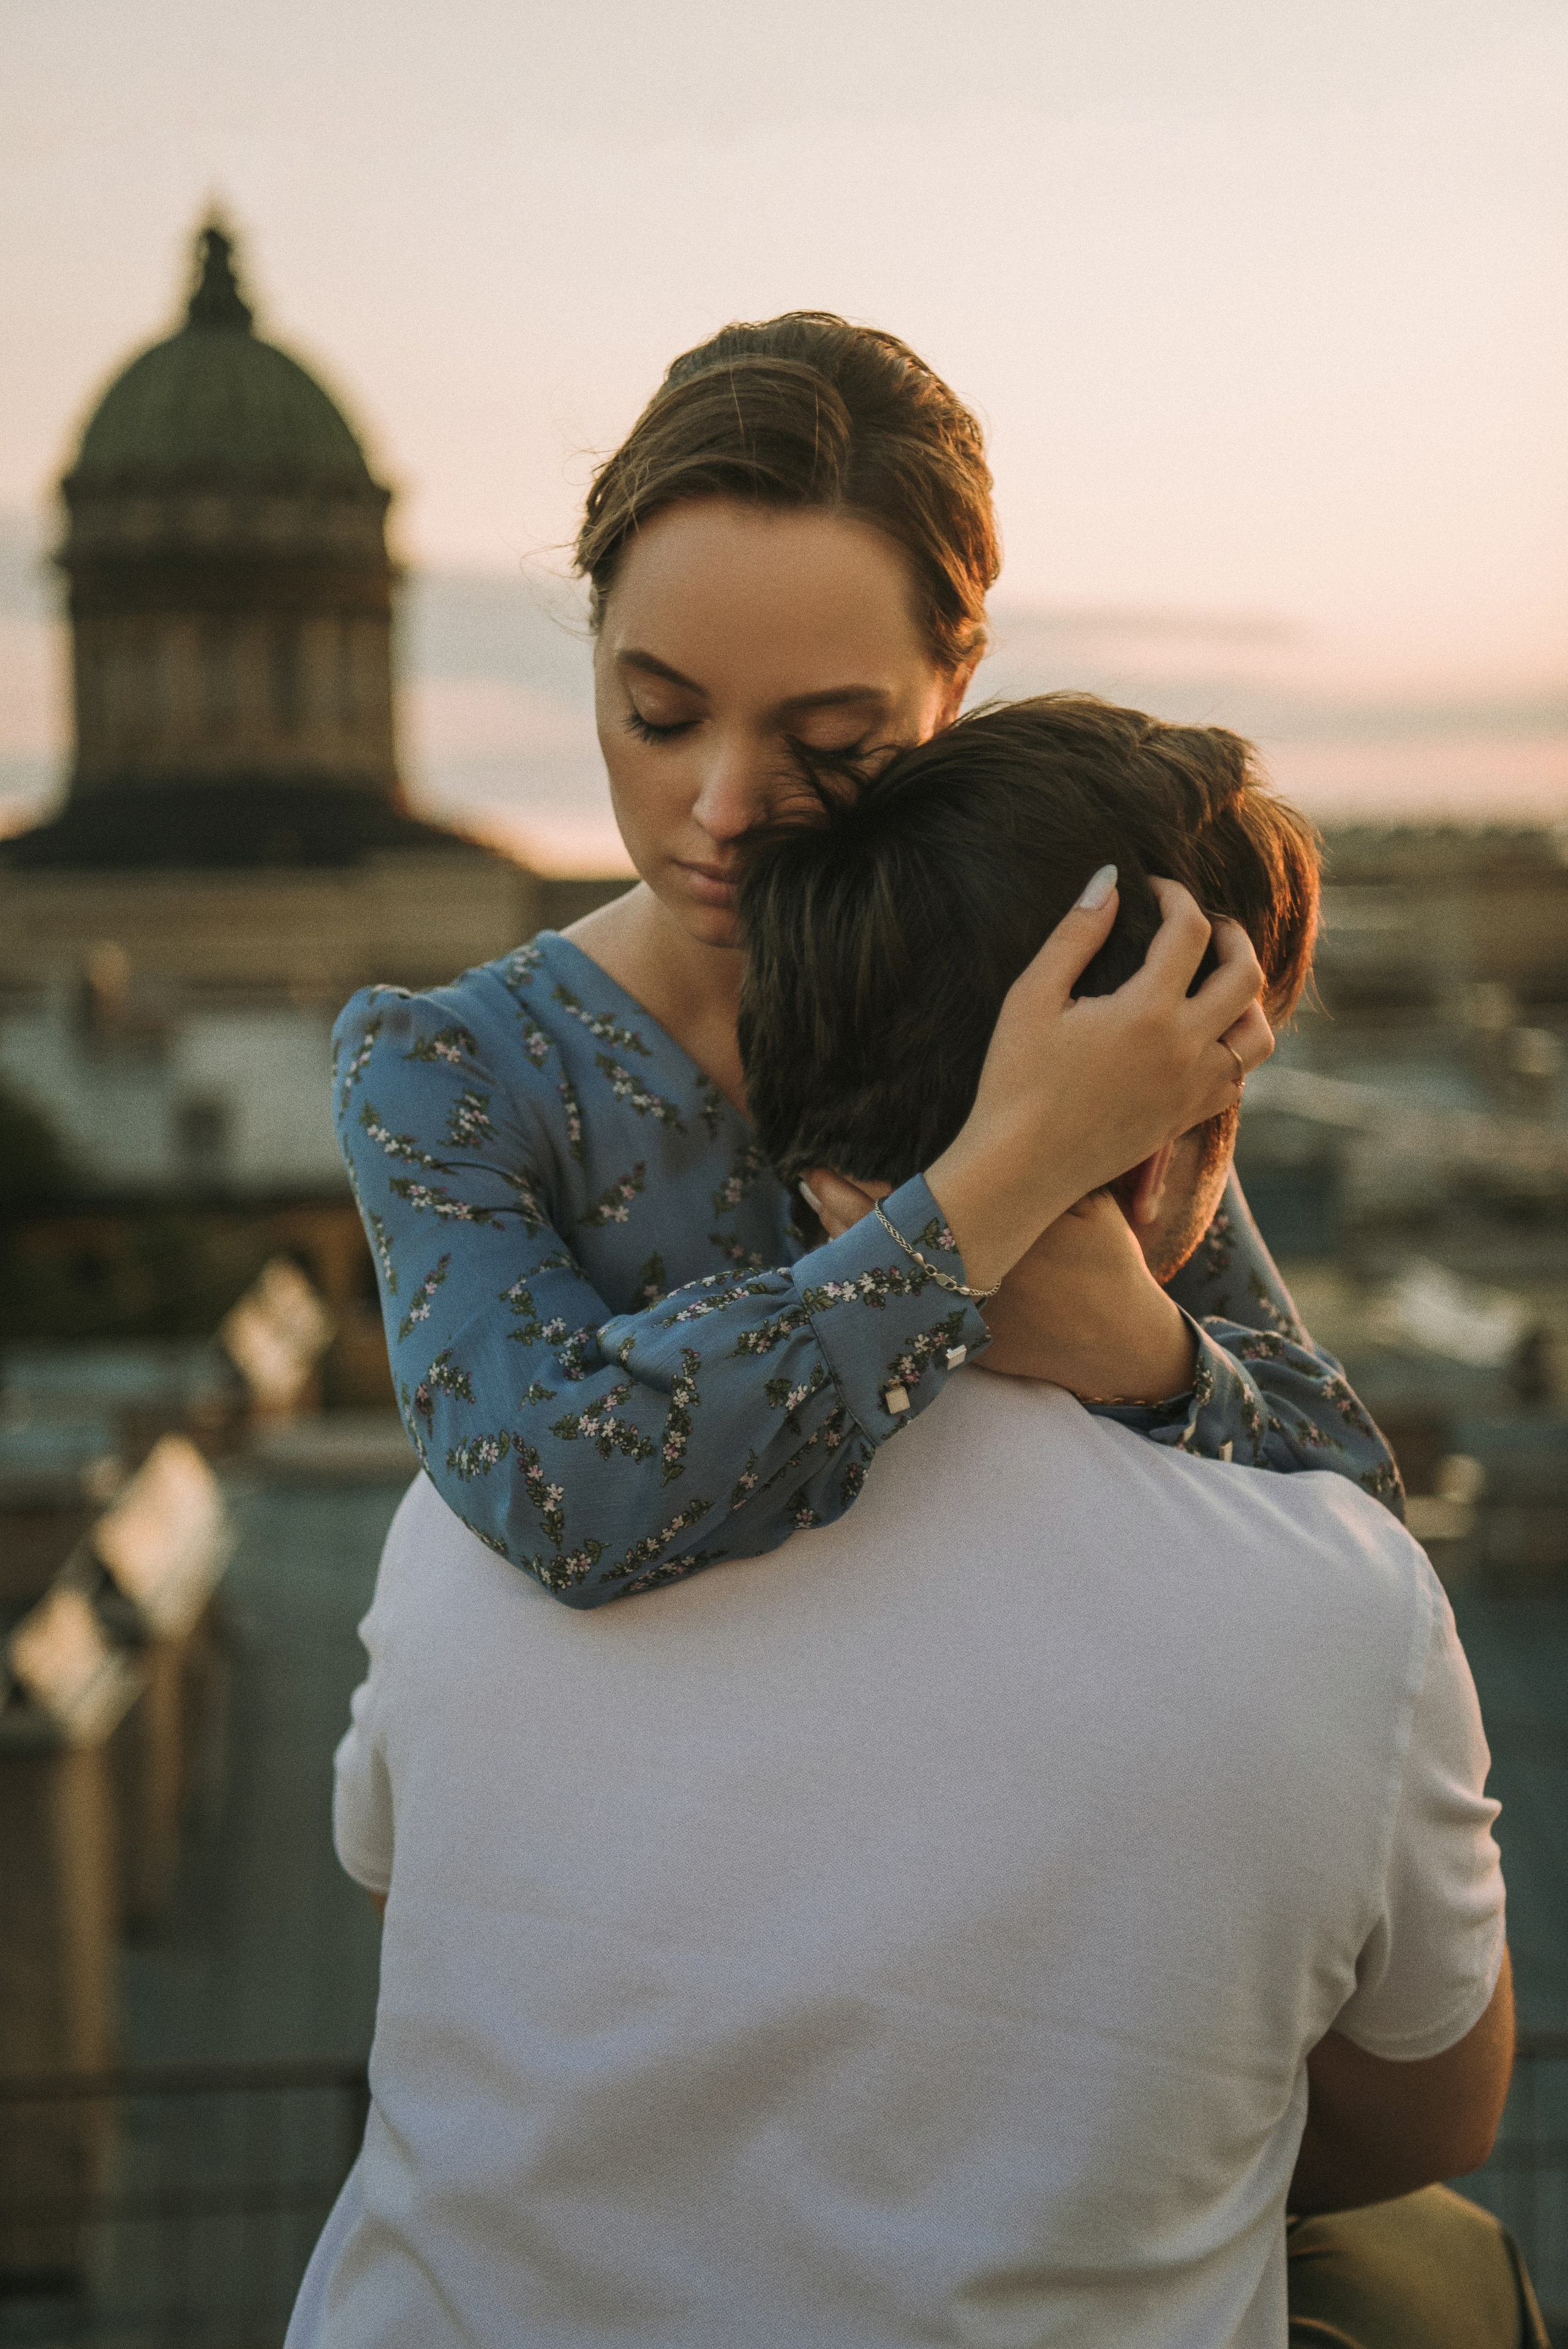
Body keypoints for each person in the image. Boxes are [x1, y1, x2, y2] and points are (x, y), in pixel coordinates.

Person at [288, 696, 1536, 2348]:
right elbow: (1434, 2115)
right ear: (1170, 1156)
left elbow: (409, 1900)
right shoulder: (1333, 1604)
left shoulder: (478, 1510)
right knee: (1437, 2279)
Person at [331, 313, 1400, 1613]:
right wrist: (991, 1197)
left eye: (832, 740)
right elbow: (556, 1486)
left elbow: (1358, 1527)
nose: (724, 806)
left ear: (952, 691)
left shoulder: (1036, 977)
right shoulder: (449, 1067)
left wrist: (1141, 1350)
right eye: (658, 715)